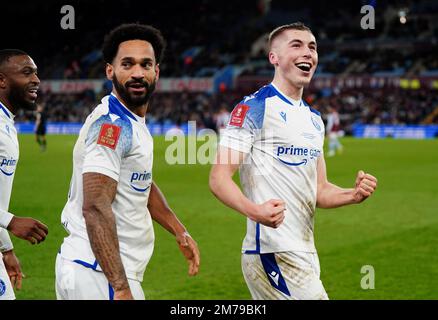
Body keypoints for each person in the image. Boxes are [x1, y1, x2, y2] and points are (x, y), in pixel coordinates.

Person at [209, 23, 378, 300]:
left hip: (305, 251)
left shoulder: (313, 119)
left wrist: (353, 194)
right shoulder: (254, 107)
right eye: (296, 45)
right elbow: (218, 177)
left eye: (312, 47)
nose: (308, 53)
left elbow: (319, 190)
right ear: (273, 58)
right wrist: (255, 211)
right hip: (272, 251)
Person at [55, 24, 200, 300]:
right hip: (101, 274)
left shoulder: (130, 122)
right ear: (110, 70)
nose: (137, 73)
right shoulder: (113, 126)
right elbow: (96, 206)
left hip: (90, 269)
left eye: (146, 64)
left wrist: (180, 231)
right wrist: (120, 288)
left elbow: (139, 181)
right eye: (127, 64)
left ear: (156, 72)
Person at [0, 49, 49, 300]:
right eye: (27, 72)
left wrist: (6, 249)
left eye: (36, 73)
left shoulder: (6, 123)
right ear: (2, 80)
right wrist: (10, 221)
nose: (36, 80)